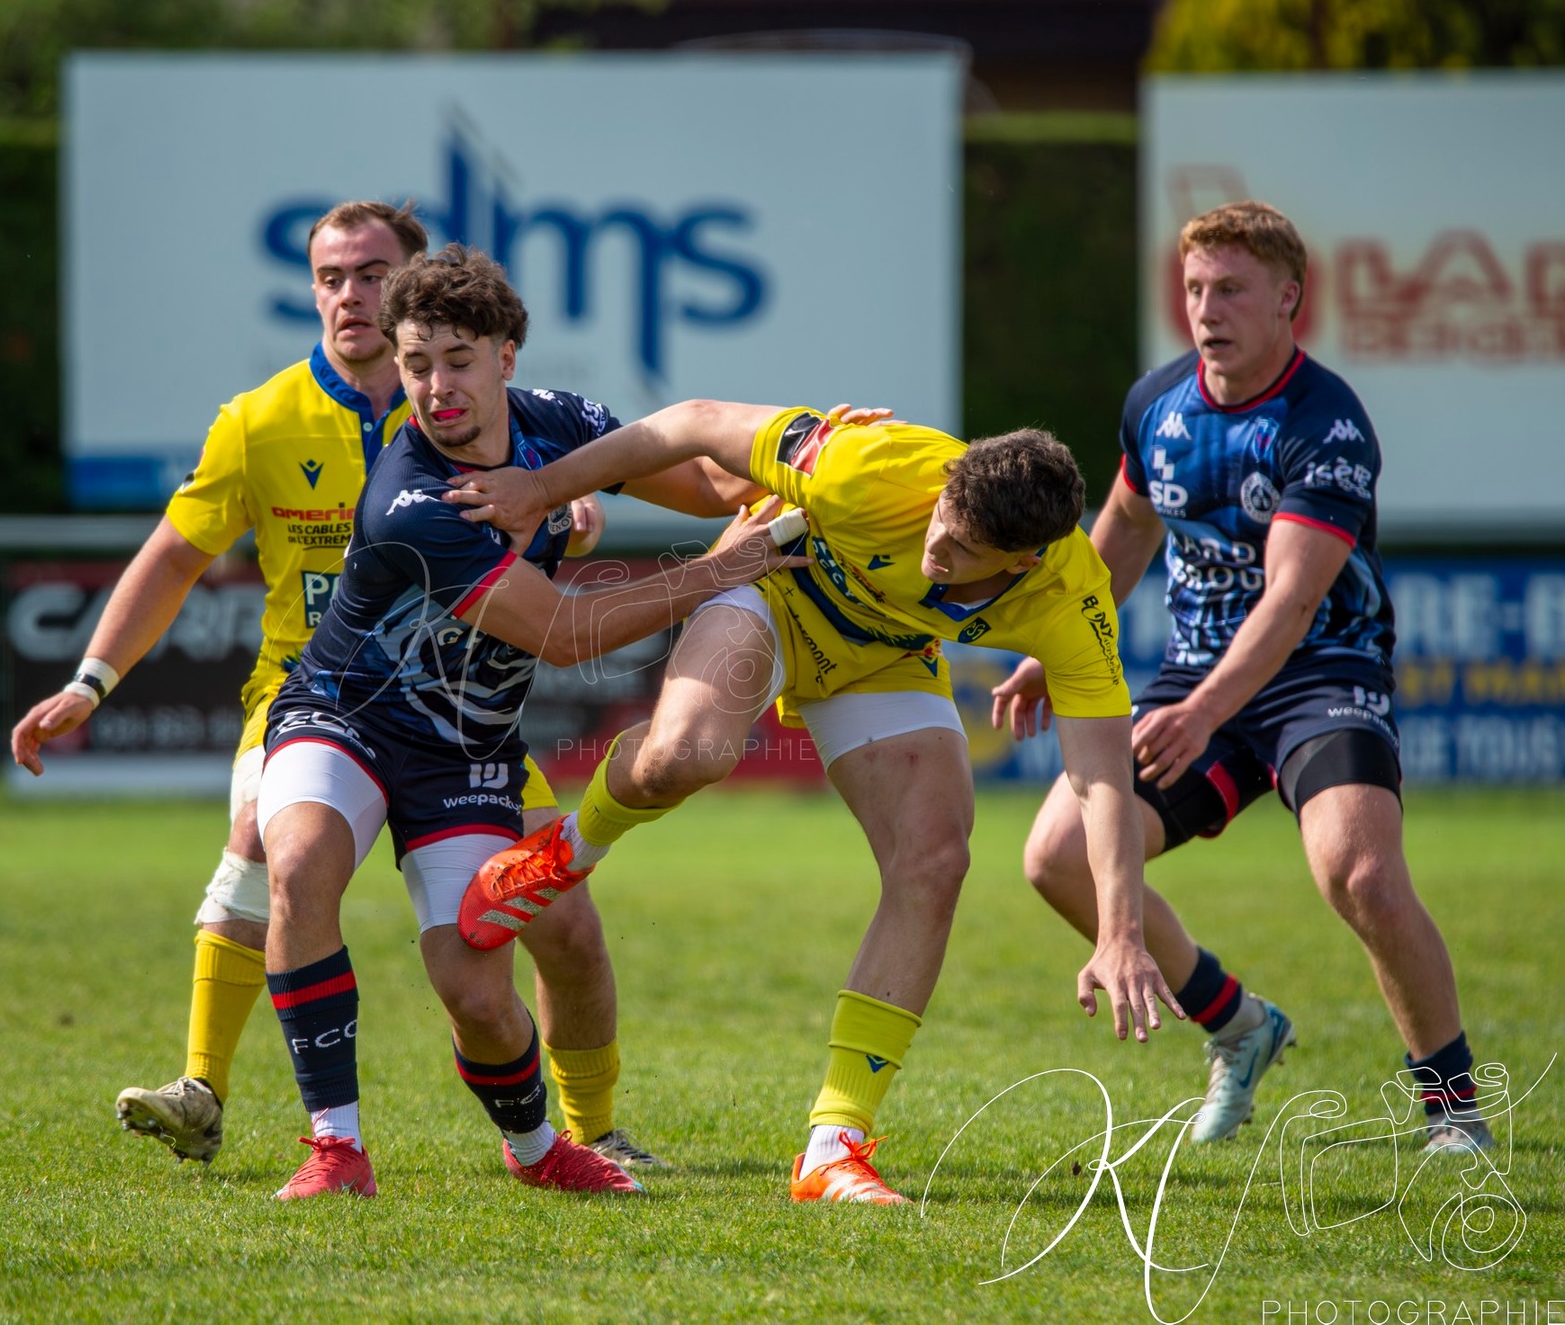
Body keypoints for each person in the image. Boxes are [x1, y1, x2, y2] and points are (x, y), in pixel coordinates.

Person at [9, 202, 660, 1173]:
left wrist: (565, 499)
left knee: (561, 919)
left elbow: (580, 489)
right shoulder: (260, 421)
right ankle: (205, 1088)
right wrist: (91, 681)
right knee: (274, 846)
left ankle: (588, 1131)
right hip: (311, 699)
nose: (346, 295)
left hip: (459, 720)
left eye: (367, 275)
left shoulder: (465, 400)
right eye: (327, 277)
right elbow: (173, 557)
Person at [448, 403, 1180, 1204]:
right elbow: (693, 423)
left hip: (883, 660)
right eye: (942, 518)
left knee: (936, 859)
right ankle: (564, 854)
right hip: (774, 589)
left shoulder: (1075, 600)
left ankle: (835, 1148)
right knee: (683, 758)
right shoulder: (868, 463)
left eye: (964, 550)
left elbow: (1102, 776)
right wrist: (541, 489)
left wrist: (1119, 933)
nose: (937, 544)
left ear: (1028, 559)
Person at [255, 244, 788, 1199]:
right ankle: (334, 1149)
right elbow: (568, 632)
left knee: (480, 999)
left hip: (466, 749)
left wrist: (817, 479)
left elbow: (713, 487)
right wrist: (721, 570)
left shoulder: (559, 425)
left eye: (456, 359)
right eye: (414, 364)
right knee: (296, 867)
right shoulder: (413, 498)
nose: (434, 386)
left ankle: (542, 1151)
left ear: (508, 356)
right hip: (341, 714)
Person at [990, 200, 1494, 1150]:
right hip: (1196, 682)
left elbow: (1293, 602)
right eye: (1193, 289)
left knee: (1363, 875)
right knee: (1057, 858)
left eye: (1230, 290)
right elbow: (1129, 528)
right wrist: (1052, 647)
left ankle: (1453, 1110)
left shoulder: (1325, 421)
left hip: (1320, 676)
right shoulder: (1159, 404)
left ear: (1287, 301)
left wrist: (1202, 711)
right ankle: (1238, 1026)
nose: (1206, 309)